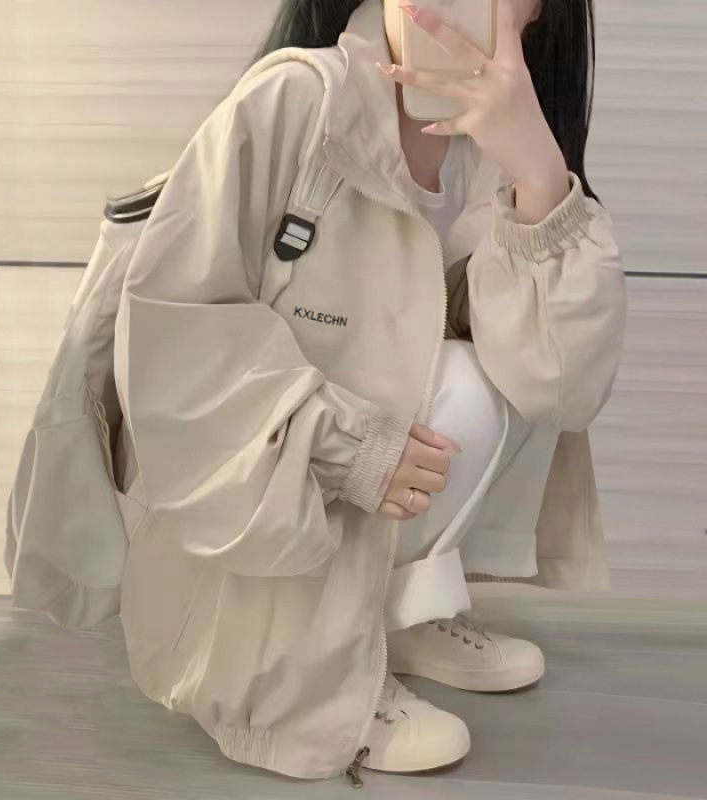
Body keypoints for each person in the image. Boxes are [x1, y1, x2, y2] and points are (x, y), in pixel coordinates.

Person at [114, 0, 627, 785]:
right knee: (442, 384)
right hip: (256, 516)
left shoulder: (495, 150)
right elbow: (174, 345)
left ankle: (400, 613)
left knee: (509, 358)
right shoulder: (293, 102)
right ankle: (320, 668)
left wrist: (538, 176)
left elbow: (562, 386)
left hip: (376, 480)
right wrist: (349, 446)